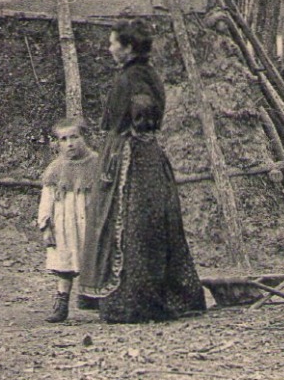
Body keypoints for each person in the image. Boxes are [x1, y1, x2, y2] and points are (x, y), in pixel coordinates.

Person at [76, 20, 207, 323]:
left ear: (129, 47)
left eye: (113, 44)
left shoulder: (135, 77)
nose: (109, 48)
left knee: (134, 225)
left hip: (133, 156)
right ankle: (140, 298)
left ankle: (135, 302)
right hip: (135, 152)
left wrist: (133, 135)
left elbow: (144, 110)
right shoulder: (138, 73)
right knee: (138, 225)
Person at [35, 118, 99, 323]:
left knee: (94, 259)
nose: (69, 143)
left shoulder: (97, 163)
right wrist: (45, 225)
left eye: (74, 137)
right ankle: (61, 304)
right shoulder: (56, 168)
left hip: (89, 221)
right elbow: (46, 199)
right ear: (58, 143)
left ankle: (97, 299)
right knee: (65, 263)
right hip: (64, 224)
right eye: (63, 139)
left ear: (84, 137)